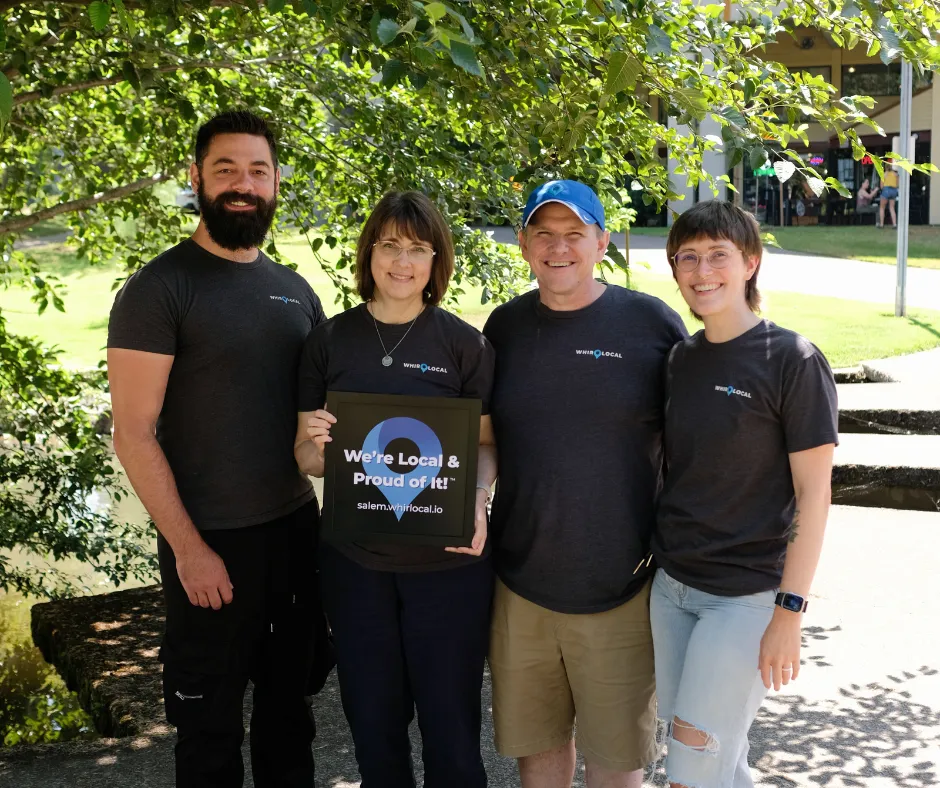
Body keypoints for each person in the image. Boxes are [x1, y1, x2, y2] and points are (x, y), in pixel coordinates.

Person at [108, 111, 326, 788]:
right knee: (209, 732)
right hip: (208, 544)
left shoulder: (296, 293)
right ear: (196, 177)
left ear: (277, 183)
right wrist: (189, 550)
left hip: (292, 536)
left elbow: (320, 426)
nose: (242, 184)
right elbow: (133, 434)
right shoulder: (160, 290)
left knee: (291, 717)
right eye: (226, 169)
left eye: (257, 171)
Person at [483, 180, 688, 788]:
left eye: (575, 233)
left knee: (616, 764)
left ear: (602, 242)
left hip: (621, 588)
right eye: (543, 233)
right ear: (522, 243)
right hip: (521, 585)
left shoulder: (651, 324)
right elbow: (488, 438)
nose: (558, 247)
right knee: (539, 755)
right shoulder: (506, 328)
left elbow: (695, 442)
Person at [294, 190, 496, 788]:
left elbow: (484, 445)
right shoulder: (328, 342)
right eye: (388, 245)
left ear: (436, 261)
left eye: (416, 248)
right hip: (356, 565)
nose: (401, 261)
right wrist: (317, 443)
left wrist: (479, 503)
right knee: (374, 729)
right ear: (369, 253)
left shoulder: (466, 345)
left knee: (453, 735)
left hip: (449, 567)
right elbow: (308, 460)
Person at [651, 201, 838, 788]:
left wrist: (789, 611)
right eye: (688, 258)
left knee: (689, 767)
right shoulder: (680, 359)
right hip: (672, 589)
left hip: (746, 598)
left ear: (750, 263)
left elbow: (814, 497)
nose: (702, 271)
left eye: (718, 256)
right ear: (675, 269)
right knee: (717, 762)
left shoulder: (793, 360)